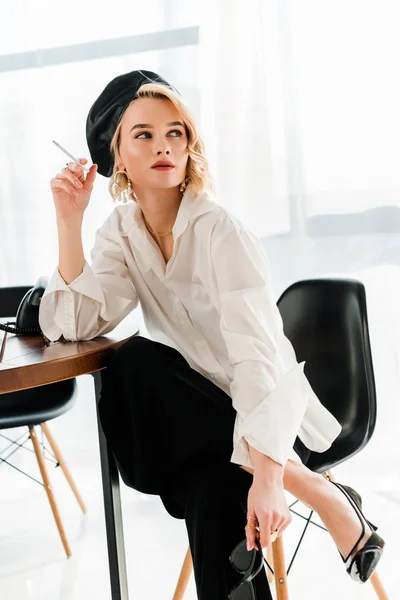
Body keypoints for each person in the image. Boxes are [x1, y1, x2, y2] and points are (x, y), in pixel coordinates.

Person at [39, 70, 384, 599]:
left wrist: (269, 477)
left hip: (269, 416)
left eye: (176, 132)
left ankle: (295, 489)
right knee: (133, 366)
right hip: (197, 418)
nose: (163, 146)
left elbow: (257, 364)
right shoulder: (121, 232)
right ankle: (319, 491)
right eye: (144, 134)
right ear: (118, 156)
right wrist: (69, 222)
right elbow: (77, 325)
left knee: (211, 478)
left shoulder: (221, 231)